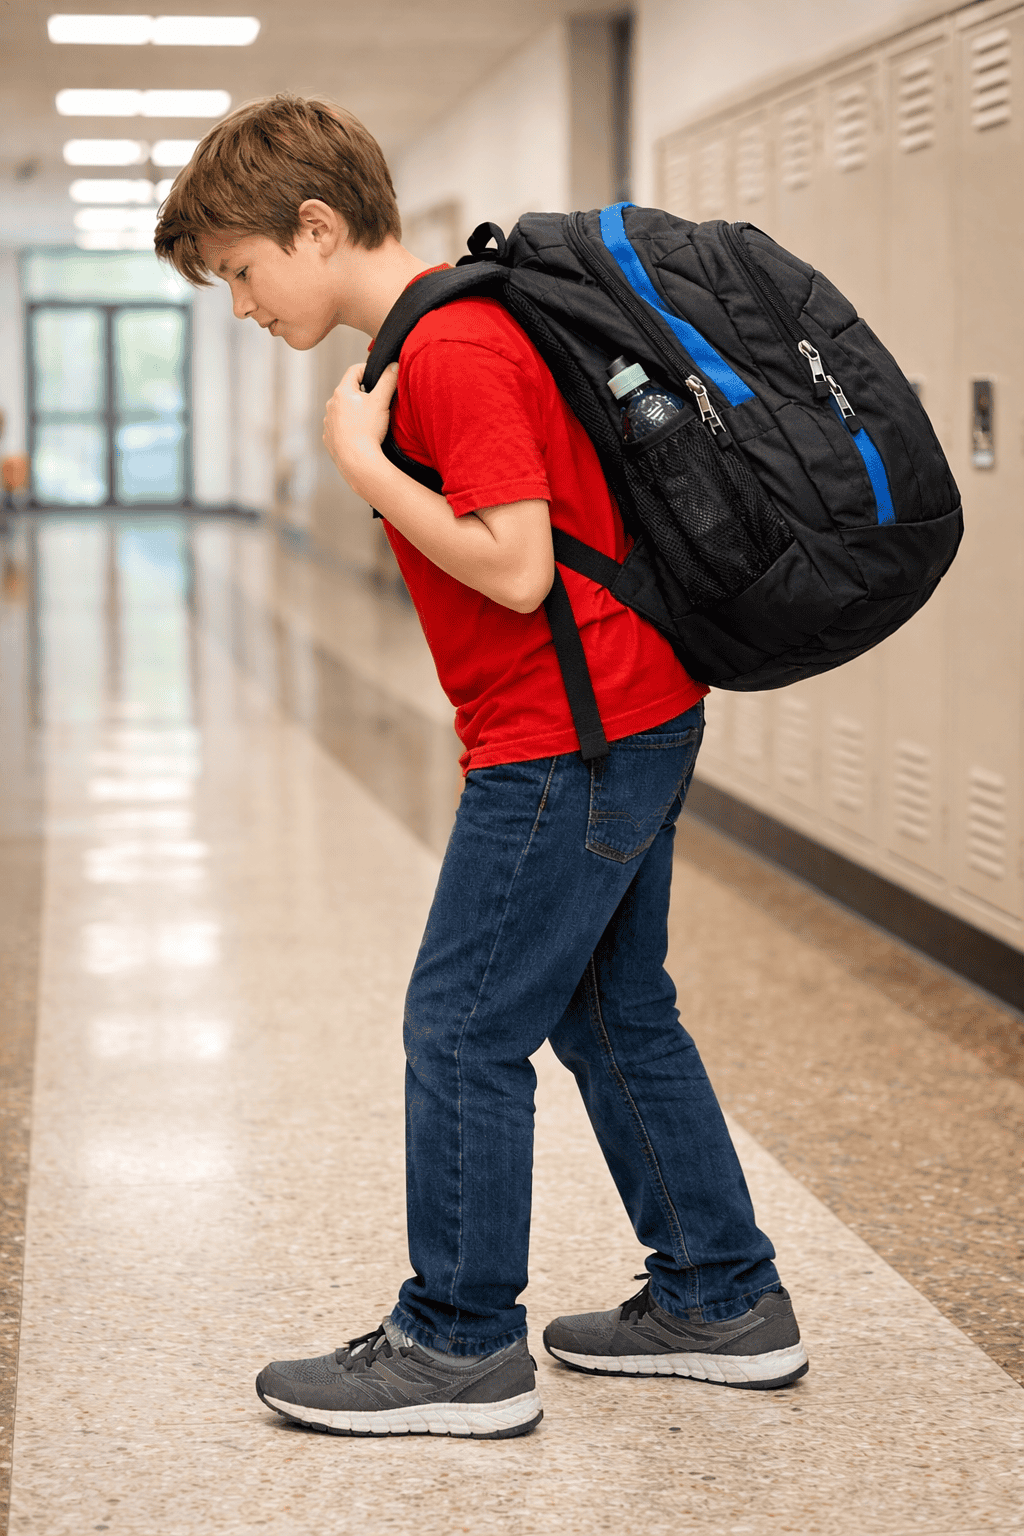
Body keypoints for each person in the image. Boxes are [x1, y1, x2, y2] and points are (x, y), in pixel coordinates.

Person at [155, 92, 807, 1440]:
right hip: (621, 711)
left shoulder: (450, 345)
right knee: (613, 1013)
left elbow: (514, 566)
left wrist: (359, 463)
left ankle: (457, 1343)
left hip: (568, 736)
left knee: (461, 1027)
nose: (243, 304)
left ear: (315, 227)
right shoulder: (457, 322)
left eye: (242, 271)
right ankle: (721, 1297)